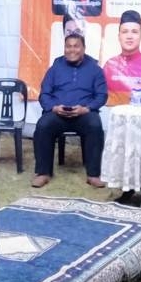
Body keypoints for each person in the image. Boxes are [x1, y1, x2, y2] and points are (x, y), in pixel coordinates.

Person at [31, 33, 109, 189]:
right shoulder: (55, 69)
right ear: (64, 48)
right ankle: (43, 173)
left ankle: (93, 175)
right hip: (58, 113)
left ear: (83, 48)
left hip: (83, 114)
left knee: (95, 125)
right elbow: (44, 94)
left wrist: (86, 109)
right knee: (43, 125)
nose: (72, 50)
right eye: (68, 46)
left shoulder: (95, 70)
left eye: (76, 46)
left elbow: (101, 96)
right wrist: (54, 108)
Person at [102, 9, 141, 95]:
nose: (129, 36)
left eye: (134, 32)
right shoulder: (109, 65)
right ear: (119, 36)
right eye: (125, 32)